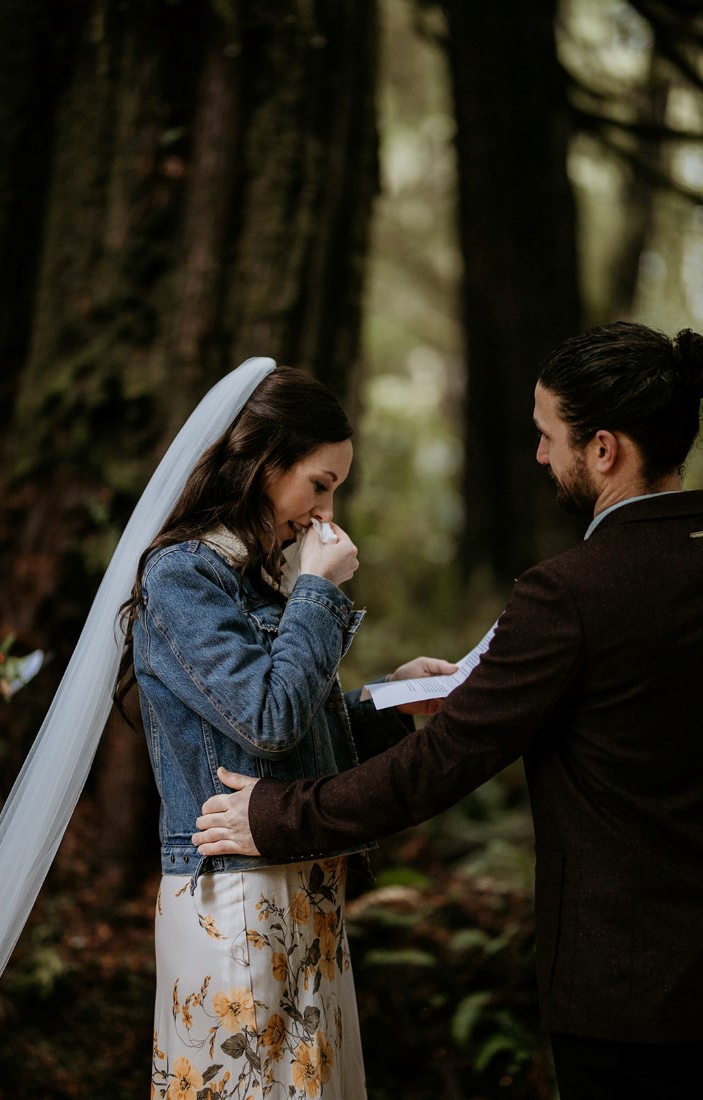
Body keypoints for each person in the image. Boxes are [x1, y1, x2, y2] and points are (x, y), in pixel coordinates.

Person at [192, 322, 703, 1100]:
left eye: (547, 436)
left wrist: (280, 815)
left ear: (603, 450)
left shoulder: (571, 594)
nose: (538, 456)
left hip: (631, 989)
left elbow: (441, 766)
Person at [114, 364, 454, 1100]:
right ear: (265, 466)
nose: (325, 509)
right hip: (236, 901)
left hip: (303, 882)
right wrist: (318, 590)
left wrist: (392, 701)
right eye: (319, 483)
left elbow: (291, 727)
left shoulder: (259, 577)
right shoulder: (183, 577)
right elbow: (265, 722)